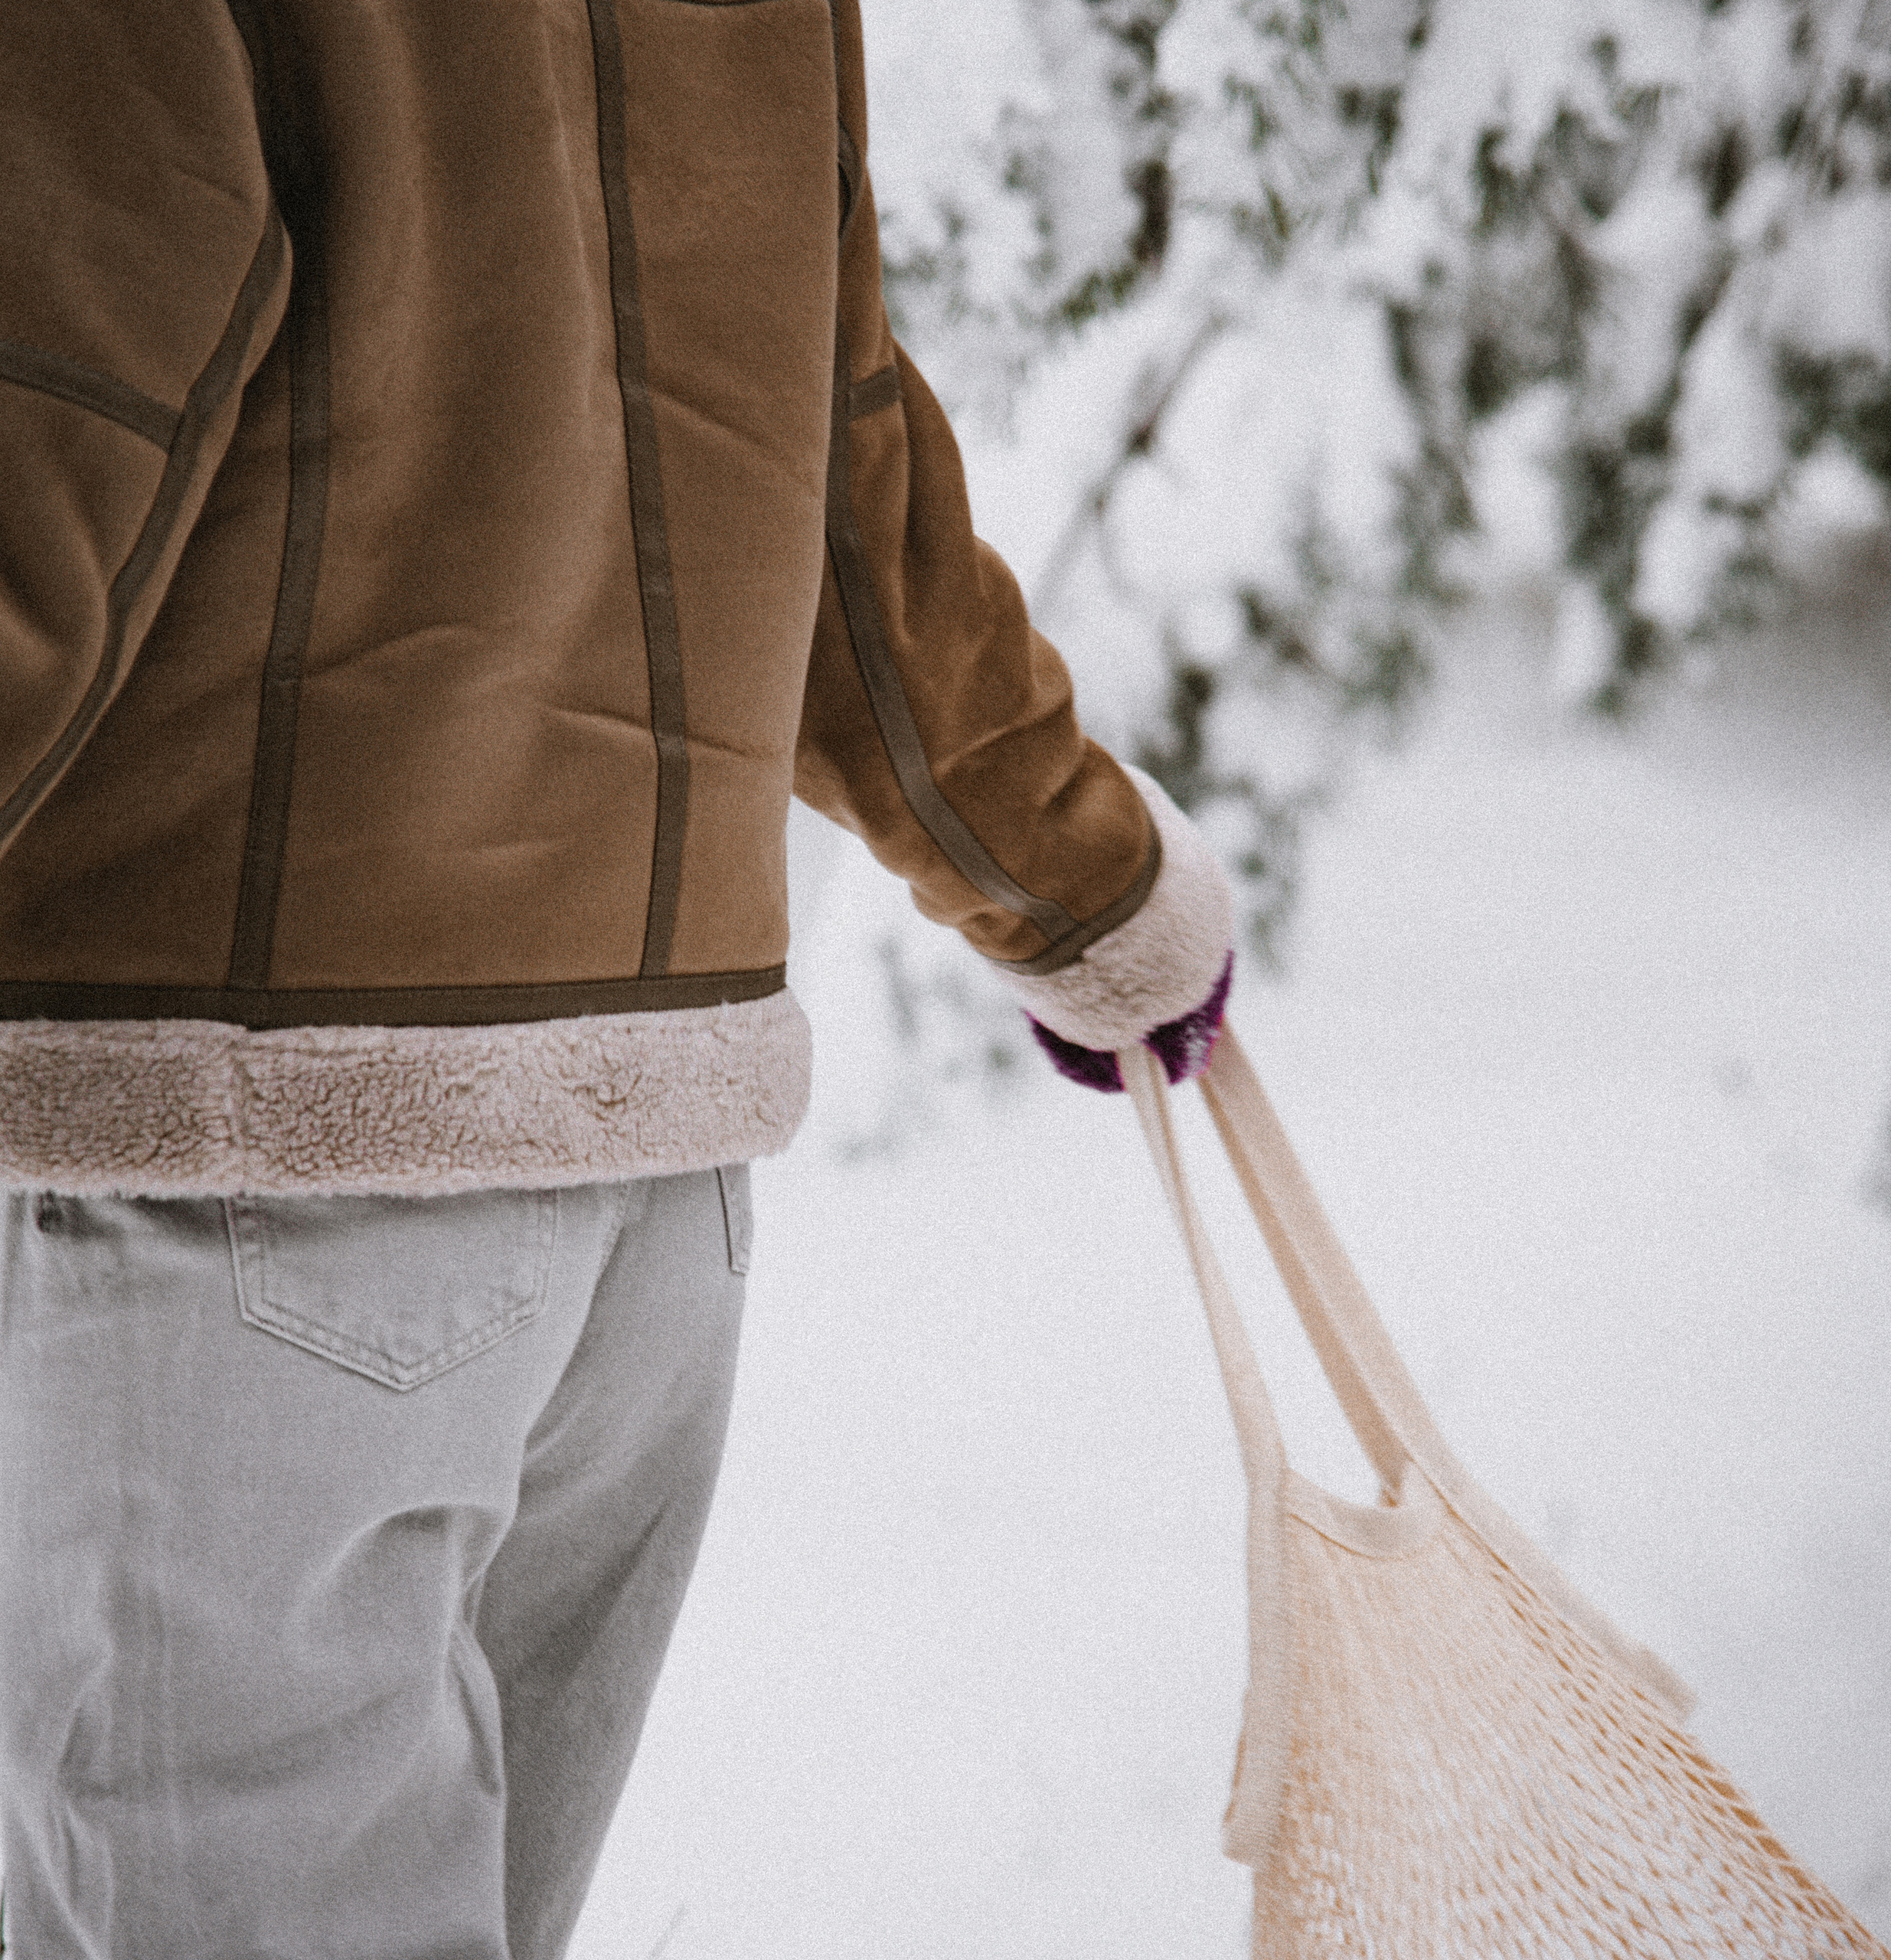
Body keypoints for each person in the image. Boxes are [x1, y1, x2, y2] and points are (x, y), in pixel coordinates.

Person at [0, 3, 1234, 1955]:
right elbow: (840, 479)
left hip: (265, 1173)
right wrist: (1082, 886)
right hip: (641, 1227)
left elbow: (56, 420)